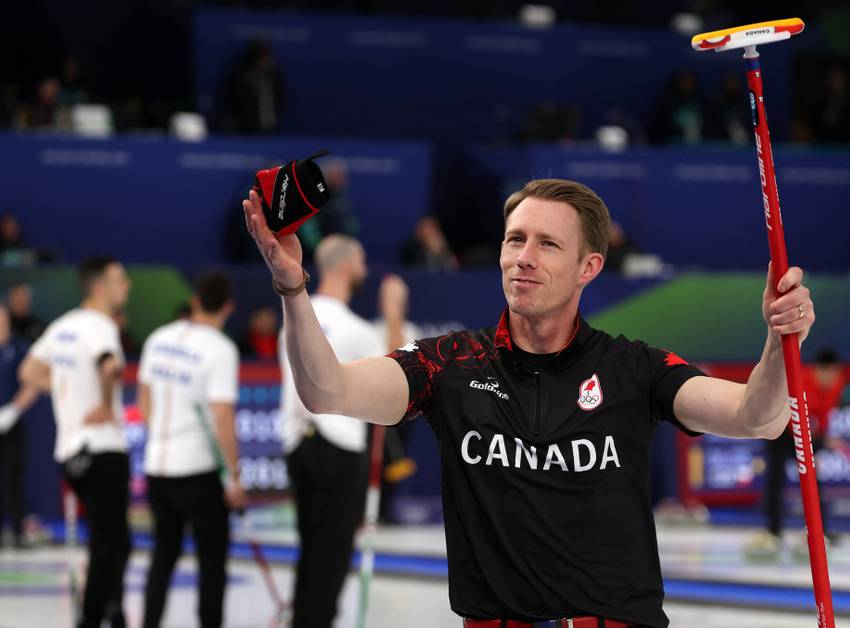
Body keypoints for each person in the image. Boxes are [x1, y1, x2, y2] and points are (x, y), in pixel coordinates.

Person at [245, 178, 815, 628]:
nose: (524, 256)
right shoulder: (450, 363)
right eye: (515, 239)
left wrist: (778, 339)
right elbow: (326, 391)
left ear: (589, 267)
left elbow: (758, 417)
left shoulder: (634, 368)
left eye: (547, 244)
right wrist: (292, 287)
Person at [277, 235, 406, 628]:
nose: (365, 269)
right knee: (331, 554)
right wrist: (394, 311)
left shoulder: (294, 317)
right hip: (340, 446)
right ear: (346, 266)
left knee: (311, 547)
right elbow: (398, 372)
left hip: (298, 443)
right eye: (362, 260)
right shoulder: (355, 329)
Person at [18, 256, 132, 628]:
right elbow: (110, 366)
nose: (127, 285)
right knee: (108, 545)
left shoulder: (62, 326)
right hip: (101, 447)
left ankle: (113, 610)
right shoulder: (101, 325)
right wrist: (103, 402)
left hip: (69, 450)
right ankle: (93, 616)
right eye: (120, 279)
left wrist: (68, 387)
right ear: (99, 285)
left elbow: (28, 371)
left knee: (113, 541)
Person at [138, 271, 245, 628]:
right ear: (228, 308)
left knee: (162, 556)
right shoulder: (221, 349)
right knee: (211, 562)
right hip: (199, 471)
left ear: (195, 300)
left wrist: (160, 435)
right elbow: (222, 417)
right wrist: (233, 477)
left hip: (157, 466)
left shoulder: (159, 338)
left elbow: (143, 398)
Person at [749, 347, 844, 554]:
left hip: (806, 435)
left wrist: (820, 442)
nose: (830, 378)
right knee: (776, 479)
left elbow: (824, 415)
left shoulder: (837, 384)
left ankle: (819, 532)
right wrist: (809, 444)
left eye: (834, 373)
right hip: (782, 431)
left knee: (813, 483)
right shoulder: (802, 379)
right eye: (827, 373)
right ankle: (774, 531)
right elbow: (792, 415)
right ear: (819, 370)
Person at [0, 303, 39, 548]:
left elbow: (31, 384)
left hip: (12, 422)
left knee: (13, 478)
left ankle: (17, 532)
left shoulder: (19, 348)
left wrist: (13, 410)